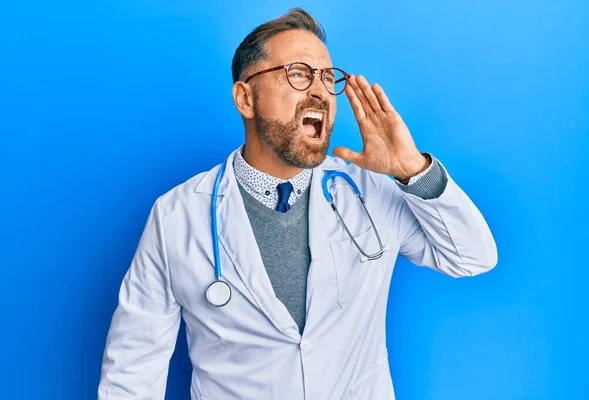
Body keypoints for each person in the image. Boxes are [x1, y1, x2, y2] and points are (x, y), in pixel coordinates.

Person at [98, 7, 497, 400]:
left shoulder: (370, 189)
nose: (320, 91)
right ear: (245, 98)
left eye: (327, 77)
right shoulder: (177, 217)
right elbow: (133, 369)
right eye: (298, 74)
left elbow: (472, 257)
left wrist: (413, 170)